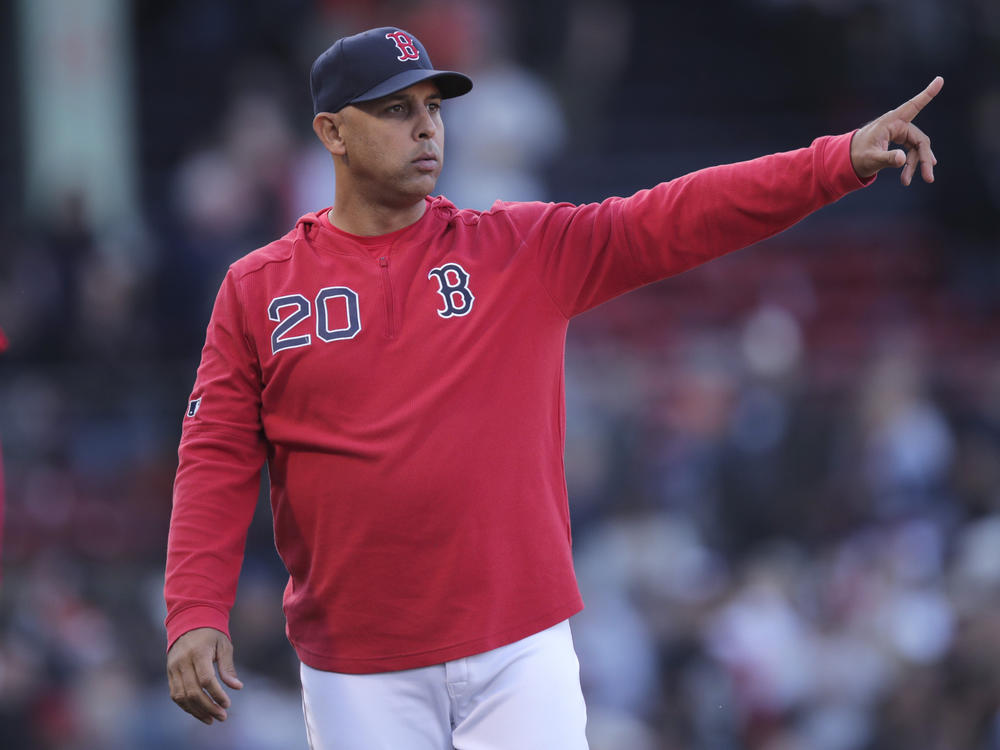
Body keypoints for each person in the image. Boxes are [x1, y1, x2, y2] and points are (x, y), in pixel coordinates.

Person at [163, 25, 942, 749]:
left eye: (432, 108)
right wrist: (195, 609)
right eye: (396, 110)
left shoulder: (517, 249)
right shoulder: (259, 288)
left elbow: (679, 216)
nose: (427, 127)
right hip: (356, 662)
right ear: (331, 132)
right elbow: (216, 454)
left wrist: (835, 162)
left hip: (517, 645)